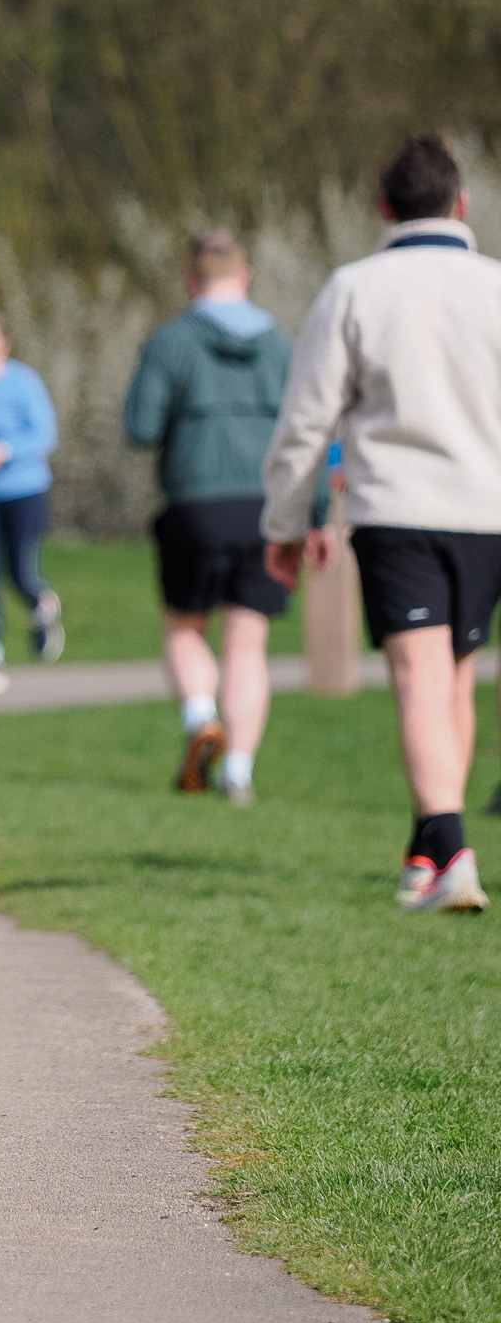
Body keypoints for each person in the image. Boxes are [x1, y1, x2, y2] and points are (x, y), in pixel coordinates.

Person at [263, 135, 501, 913]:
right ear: (461, 203)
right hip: (486, 512)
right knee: (455, 676)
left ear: (382, 209)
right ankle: (428, 852)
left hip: (399, 508)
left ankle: (451, 846)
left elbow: (306, 420)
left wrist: (286, 522)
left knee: (417, 676)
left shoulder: (355, 289)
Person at [123, 228, 317, 805]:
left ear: (190, 279)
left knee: (185, 627)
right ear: (247, 275)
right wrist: (318, 512)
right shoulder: (283, 345)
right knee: (247, 644)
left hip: (194, 507)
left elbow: (141, 428)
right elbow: (309, 433)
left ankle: (201, 715)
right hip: (266, 508)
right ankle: (238, 769)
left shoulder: (170, 342)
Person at [0, 311, 62, 695]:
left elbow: (44, 435)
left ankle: (40, 603)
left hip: (23, 489)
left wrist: (3, 451)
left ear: (2, 343)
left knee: (19, 571)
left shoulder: (23, 382)